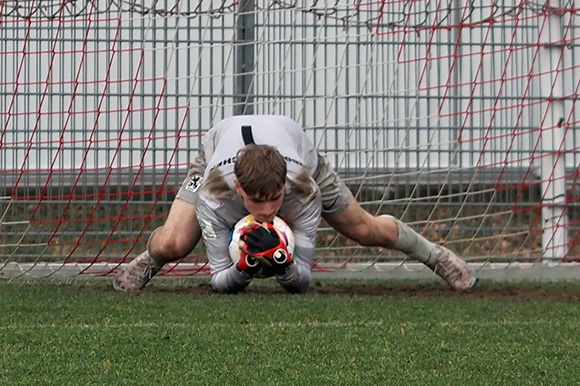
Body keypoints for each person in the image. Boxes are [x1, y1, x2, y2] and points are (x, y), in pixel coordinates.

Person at [113, 115, 478, 294]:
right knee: (173, 243)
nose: (268, 210)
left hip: (299, 153)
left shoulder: (302, 189)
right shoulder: (214, 193)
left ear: (283, 188)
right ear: (239, 189)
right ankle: (149, 260)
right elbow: (219, 280)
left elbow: (302, 279)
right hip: (214, 153)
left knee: (365, 228)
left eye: (275, 200)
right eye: (257, 201)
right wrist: (244, 268)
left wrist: (284, 264)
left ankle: (437, 256)